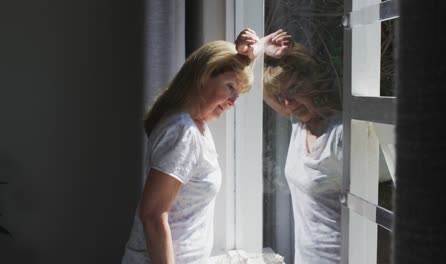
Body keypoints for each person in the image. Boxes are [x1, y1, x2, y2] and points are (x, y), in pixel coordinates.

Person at [121, 37, 255, 264]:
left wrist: (251, 49)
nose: (233, 101)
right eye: (230, 87)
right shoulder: (182, 131)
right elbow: (152, 215)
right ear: (204, 75)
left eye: (237, 94)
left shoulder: (194, 125)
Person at [237, 29, 343, 264]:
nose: (288, 102)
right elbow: (252, 85)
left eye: (294, 90)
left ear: (312, 83)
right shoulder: (299, 125)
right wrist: (260, 49)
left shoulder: (340, 134)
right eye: (282, 95)